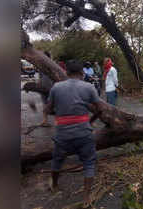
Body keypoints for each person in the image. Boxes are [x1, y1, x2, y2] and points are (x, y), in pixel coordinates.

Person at [42, 60, 101, 208]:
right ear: (82, 73)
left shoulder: (56, 87)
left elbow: (48, 109)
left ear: (66, 73)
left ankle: (54, 185)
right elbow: (99, 109)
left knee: (57, 161)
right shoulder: (89, 87)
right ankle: (86, 197)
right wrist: (89, 121)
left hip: (63, 134)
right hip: (84, 133)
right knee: (89, 163)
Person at [39, 51, 54, 127]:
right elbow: (40, 76)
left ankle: (58, 121)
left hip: (51, 87)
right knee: (45, 103)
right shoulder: (40, 65)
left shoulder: (52, 65)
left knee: (53, 104)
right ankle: (45, 121)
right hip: (44, 87)